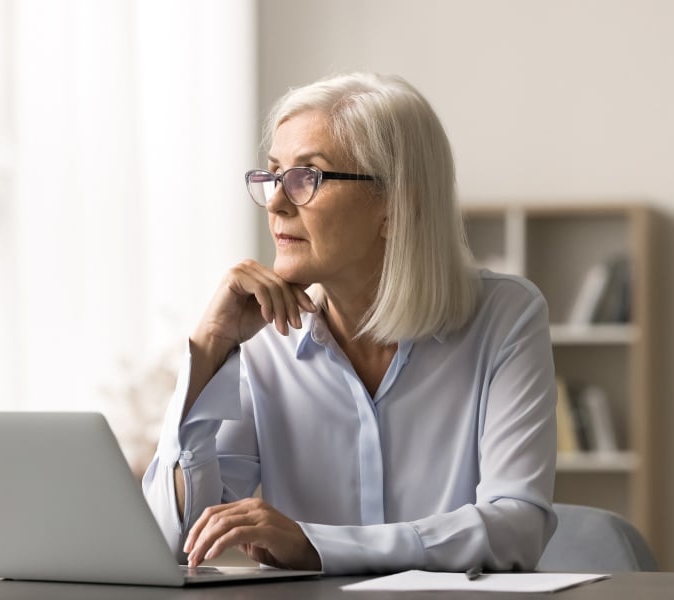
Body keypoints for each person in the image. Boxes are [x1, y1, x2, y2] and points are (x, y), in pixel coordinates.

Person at [142, 72, 558, 575]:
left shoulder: (505, 318)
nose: (275, 201)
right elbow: (176, 541)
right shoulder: (261, 339)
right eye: (273, 174)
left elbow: (516, 527)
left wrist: (316, 546)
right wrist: (209, 347)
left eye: (306, 177)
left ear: (396, 203)